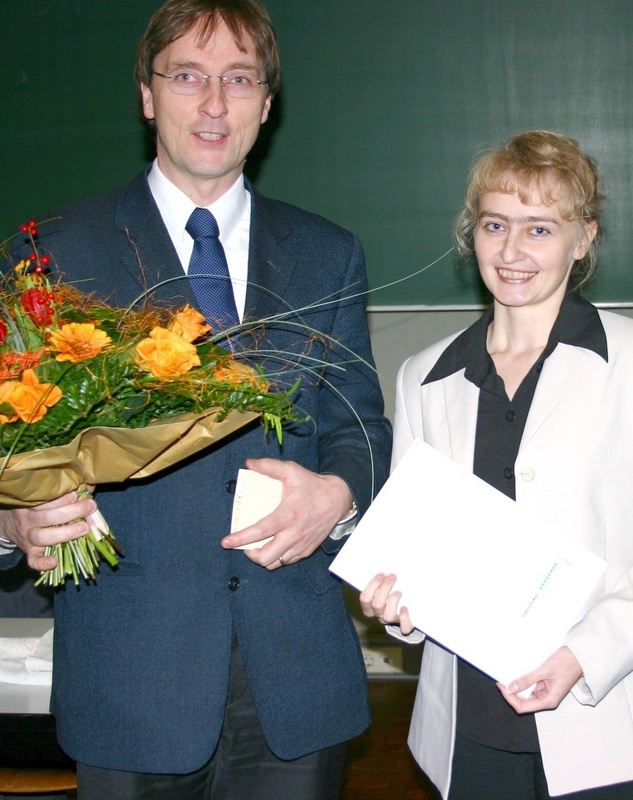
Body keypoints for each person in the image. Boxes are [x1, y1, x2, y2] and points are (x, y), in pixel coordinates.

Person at [0, 1, 392, 798]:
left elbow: (361, 422)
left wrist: (340, 491)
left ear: (266, 104)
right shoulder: (51, 254)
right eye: (188, 76)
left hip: (296, 678)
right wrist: (13, 519)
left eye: (239, 80)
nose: (214, 104)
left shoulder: (327, 252)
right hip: (131, 682)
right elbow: (12, 437)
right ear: (148, 95)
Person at [360, 130, 633, 800]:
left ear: (583, 237)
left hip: (602, 719)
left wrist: (583, 656)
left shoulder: (627, 366)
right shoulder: (424, 378)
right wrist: (399, 605)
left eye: (539, 228)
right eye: (493, 225)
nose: (511, 251)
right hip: (465, 727)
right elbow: (415, 549)